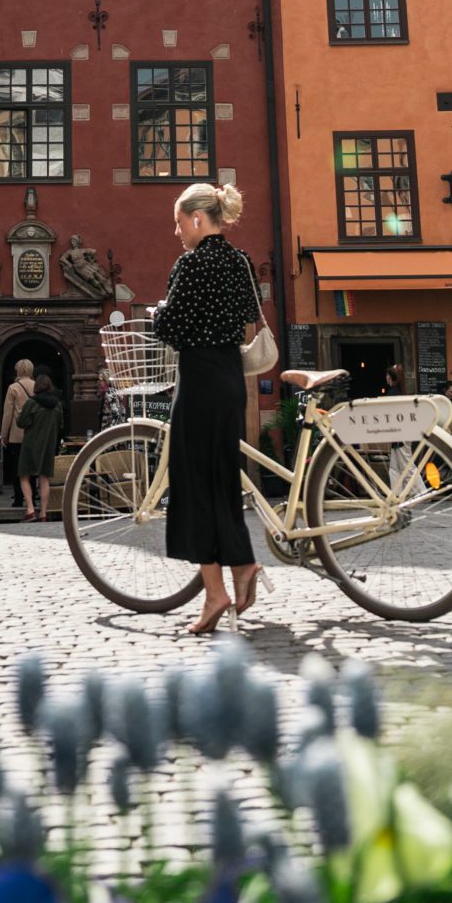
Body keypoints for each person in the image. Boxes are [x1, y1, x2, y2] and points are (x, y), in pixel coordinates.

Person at [151, 181, 263, 636]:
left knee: (194, 487)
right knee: (222, 481)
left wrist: (160, 312)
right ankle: (243, 566)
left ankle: (216, 592)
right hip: (232, 382)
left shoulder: (191, 264)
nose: (177, 232)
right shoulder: (240, 262)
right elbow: (247, 317)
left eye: (179, 223)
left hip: (198, 383)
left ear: (197, 220)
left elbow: (171, 326)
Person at [14, 370, 64, 523]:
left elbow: (21, 422)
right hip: (48, 445)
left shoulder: (31, 403)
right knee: (44, 478)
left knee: (24, 475)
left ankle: (30, 510)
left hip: (30, 444)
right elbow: (61, 424)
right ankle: (43, 513)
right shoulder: (58, 405)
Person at [0, 358, 36, 502]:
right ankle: (33, 496)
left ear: (18, 370)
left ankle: (19, 498)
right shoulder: (36, 386)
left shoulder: (13, 388)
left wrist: (4, 434)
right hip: (33, 432)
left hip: (16, 433)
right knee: (32, 466)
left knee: (17, 467)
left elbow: (8, 413)